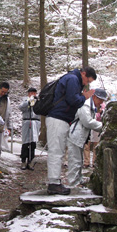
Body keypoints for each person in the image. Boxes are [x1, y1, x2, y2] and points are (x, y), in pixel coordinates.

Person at [46, 67, 97, 195]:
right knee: (56, 151)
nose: (85, 83)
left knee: (58, 151)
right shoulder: (73, 79)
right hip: (58, 118)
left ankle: (55, 181)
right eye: (87, 80)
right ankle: (53, 183)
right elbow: (72, 100)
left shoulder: (72, 78)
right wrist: (84, 97)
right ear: (83, 74)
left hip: (61, 119)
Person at [67, 88, 107, 188]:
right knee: (75, 160)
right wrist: (104, 126)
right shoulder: (85, 105)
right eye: (100, 100)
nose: (101, 103)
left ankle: (78, 180)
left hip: (80, 136)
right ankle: (73, 183)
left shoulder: (90, 106)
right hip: (75, 135)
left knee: (79, 160)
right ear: (95, 97)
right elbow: (87, 121)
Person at [19, 87, 41, 171]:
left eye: (34, 93)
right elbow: (21, 107)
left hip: (35, 122)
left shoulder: (38, 101)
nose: (33, 94)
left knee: (33, 143)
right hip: (27, 121)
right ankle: (23, 160)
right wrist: (29, 101)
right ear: (28, 93)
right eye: (31, 93)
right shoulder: (25, 100)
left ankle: (30, 160)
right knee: (25, 142)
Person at [0, 82, 12, 173]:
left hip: (0, 127)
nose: (3, 93)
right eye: (2, 91)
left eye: (5, 92)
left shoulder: (7, 100)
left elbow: (8, 114)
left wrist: (9, 127)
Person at [83, 101, 106, 168]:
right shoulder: (88, 104)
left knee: (96, 146)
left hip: (97, 127)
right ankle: (86, 162)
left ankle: (94, 162)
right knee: (86, 145)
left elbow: (102, 116)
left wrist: (100, 112)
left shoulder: (103, 105)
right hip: (90, 127)